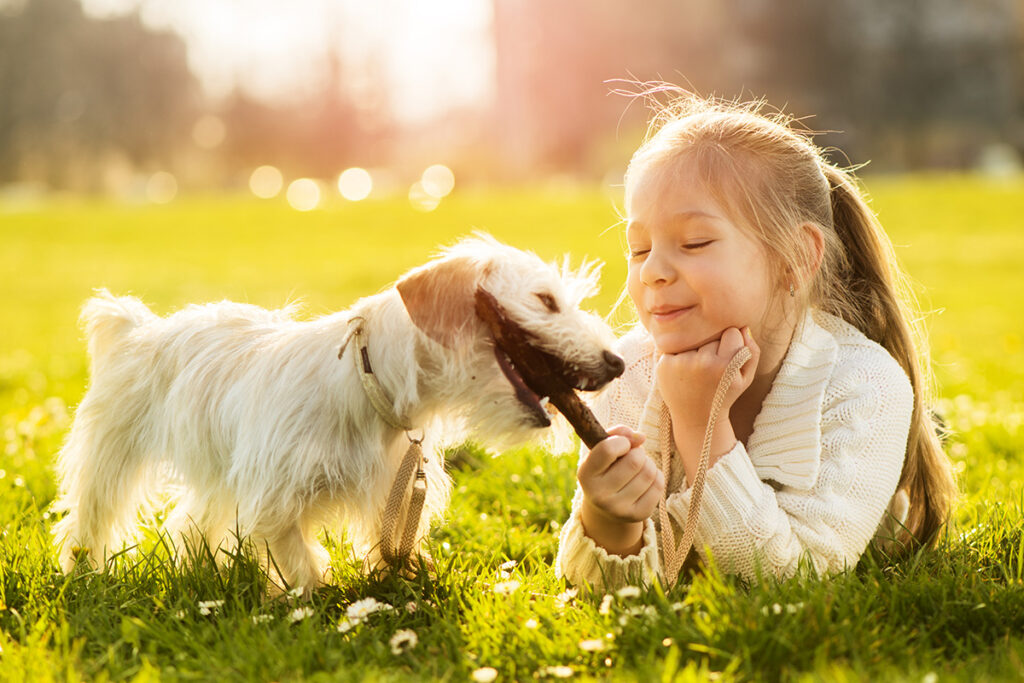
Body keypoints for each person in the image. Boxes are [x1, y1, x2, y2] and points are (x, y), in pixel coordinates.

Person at [555, 91, 958, 590]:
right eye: (639, 249)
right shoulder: (629, 371)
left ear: (796, 257)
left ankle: (925, 433)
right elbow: (600, 592)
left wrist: (703, 427)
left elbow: (797, 580)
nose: (653, 271)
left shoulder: (864, 385)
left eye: (695, 242)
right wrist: (609, 520)